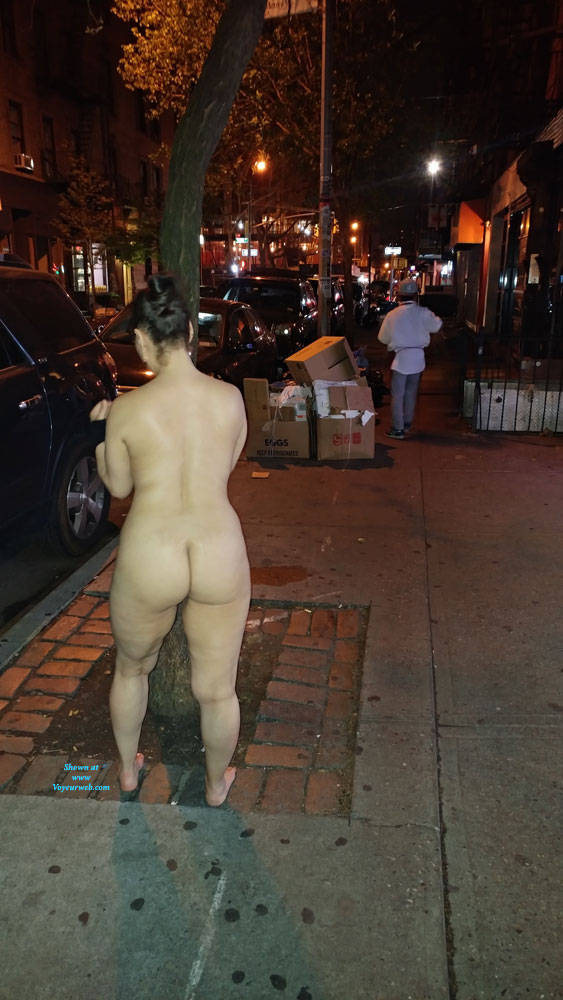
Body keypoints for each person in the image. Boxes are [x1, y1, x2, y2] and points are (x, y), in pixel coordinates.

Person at [89, 274, 250, 806]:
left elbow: (118, 486)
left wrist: (102, 440)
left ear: (141, 340)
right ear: (190, 334)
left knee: (132, 668)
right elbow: (225, 464)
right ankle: (215, 785)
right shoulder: (230, 399)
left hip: (150, 551)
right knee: (217, 690)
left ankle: (128, 771)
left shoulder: (128, 409)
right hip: (217, 547)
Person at [377, 277, 442, 439]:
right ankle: (407, 423)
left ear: (399, 295)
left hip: (401, 358)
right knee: (411, 393)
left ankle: (397, 428)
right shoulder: (423, 312)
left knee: (398, 395)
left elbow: (382, 338)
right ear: (415, 295)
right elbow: (437, 325)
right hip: (419, 358)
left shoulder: (392, 315)